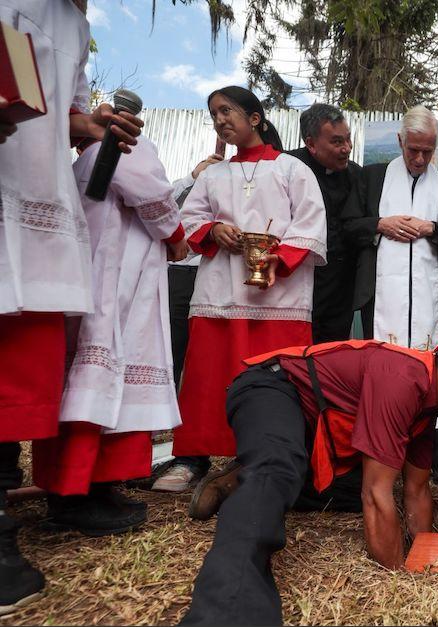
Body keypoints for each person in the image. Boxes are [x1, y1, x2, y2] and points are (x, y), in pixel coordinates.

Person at [180, 317, 438, 625]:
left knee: (349, 492)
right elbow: (376, 493)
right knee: (279, 470)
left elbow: (417, 490)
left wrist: (425, 556)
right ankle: (228, 609)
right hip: (271, 389)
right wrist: (399, 578)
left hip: (309, 430)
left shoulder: (425, 408)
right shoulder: (401, 379)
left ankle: (242, 480)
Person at [0, 0, 144, 614]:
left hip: (37, 197)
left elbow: (55, 113)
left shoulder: (76, 24)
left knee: (17, 372)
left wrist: (87, 126)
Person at [151, 86, 327, 493]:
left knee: (274, 381)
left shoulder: (291, 170)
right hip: (220, 294)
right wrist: (214, 229)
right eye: (214, 114)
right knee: (209, 377)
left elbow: (311, 225)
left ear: (254, 118)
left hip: (277, 297)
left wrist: (278, 257)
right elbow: (189, 220)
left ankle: (262, 459)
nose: (219, 120)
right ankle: (191, 458)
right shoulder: (213, 175)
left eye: (227, 111)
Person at [29, 134, 186, 536]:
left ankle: (87, 489)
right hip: (117, 281)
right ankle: (80, 495)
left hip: (88, 277)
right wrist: (177, 236)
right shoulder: (122, 148)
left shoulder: (79, 161)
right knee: (104, 378)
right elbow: (153, 196)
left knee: (86, 382)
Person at [343, 105, 438, 487]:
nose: (419, 158)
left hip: (433, 300)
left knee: (437, 374)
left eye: (427, 151)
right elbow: (348, 228)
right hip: (380, 297)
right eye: (413, 149)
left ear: (436, 145)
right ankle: (378, 452)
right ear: (400, 141)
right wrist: (381, 224)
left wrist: (433, 228)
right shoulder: (371, 178)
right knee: (380, 374)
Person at [287, 104, 362, 344]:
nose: (346, 149)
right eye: (337, 142)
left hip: (340, 288)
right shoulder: (285, 167)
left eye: (348, 140)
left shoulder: (356, 175)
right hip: (296, 284)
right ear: (311, 143)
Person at [167, 154, 224, 388]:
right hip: (180, 272)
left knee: (207, 350)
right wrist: (193, 177)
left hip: (216, 272)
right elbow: (166, 206)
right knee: (172, 346)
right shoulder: (194, 182)